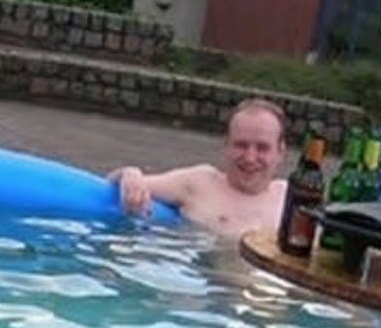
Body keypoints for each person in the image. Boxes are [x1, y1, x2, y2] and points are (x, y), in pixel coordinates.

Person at [109, 98, 288, 239]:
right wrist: (130, 173)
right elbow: (114, 182)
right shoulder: (199, 183)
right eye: (241, 145)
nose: (250, 157)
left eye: (262, 148)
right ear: (226, 145)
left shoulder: (290, 201)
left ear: (280, 152)